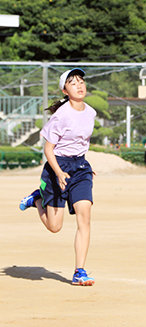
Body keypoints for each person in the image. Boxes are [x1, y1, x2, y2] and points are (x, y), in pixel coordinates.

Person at [19, 68, 97, 286]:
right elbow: (48, 148)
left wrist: (83, 165)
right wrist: (59, 171)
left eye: (81, 81)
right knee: (55, 227)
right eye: (73, 83)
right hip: (57, 165)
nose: (79, 85)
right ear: (65, 90)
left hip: (80, 167)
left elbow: (81, 142)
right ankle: (37, 198)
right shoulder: (61, 115)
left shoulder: (90, 112)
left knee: (85, 215)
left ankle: (79, 271)